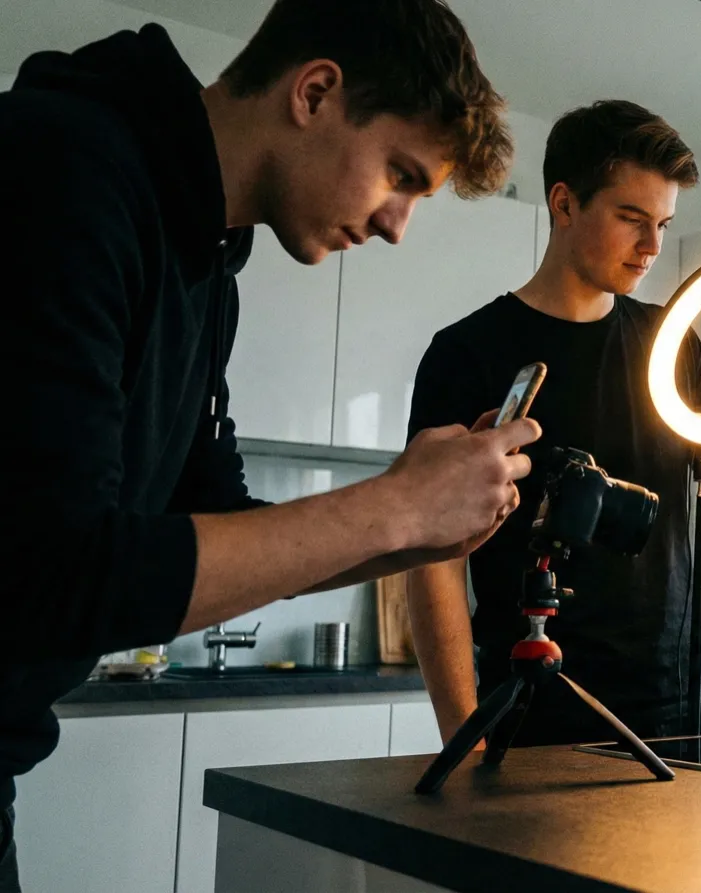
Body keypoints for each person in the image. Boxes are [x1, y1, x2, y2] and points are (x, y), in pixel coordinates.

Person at [0, 2, 529, 887]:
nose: (398, 224)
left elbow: (216, 522)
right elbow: (57, 569)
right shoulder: (63, 165)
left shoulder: (211, 265)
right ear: (316, 92)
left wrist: (408, 534)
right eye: (400, 174)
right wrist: (392, 504)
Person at [405, 99, 701, 749]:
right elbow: (432, 563)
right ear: (564, 203)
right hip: (536, 710)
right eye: (631, 219)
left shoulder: (670, 344)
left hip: (681, 708)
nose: (653, 246)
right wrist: (462, 734)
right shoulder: (468, 354)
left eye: (663, 223)